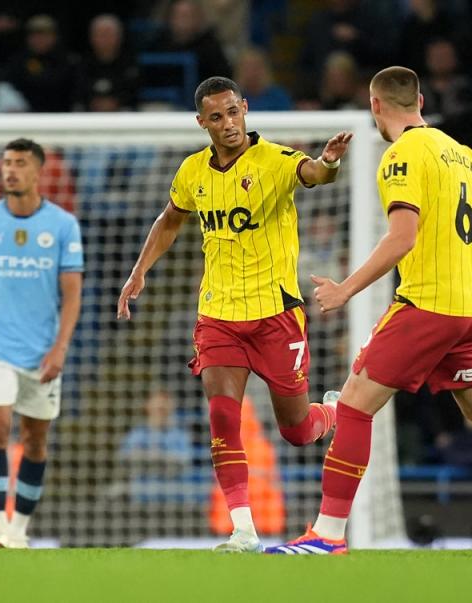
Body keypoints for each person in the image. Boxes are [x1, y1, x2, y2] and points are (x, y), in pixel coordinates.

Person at [265, 67, 472, 556]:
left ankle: (327, 535)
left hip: (428, 304)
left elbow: (403, 237)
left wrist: (346, 289)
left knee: (354, 404)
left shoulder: (400, 156)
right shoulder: (464, 154)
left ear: (377, 107)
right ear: (420, 100)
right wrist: (471, 274)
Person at [116, 77, 352, 553]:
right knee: (224, 417)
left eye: (233, 112)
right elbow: (171, 219)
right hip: (218, 316)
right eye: (217, 117)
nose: (228, 124)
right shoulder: (191, 171)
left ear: (245, 109)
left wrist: (329, 162)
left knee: (297, 431)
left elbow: (313, 174)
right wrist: (139, 271)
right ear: (202, 122)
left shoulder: (277, 160)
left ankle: (334, 410)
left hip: (276, 316)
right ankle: (243, 530)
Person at [0, 138, 84, 548]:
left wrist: (60, 347)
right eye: (6, 163)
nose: (10, 170)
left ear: (38, 171)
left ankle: (20, 530)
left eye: (20, 163)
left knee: (34, 440)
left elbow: (73, 294)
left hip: (41, 351)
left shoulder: (62, 225)